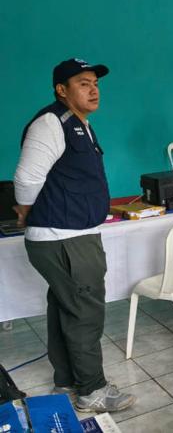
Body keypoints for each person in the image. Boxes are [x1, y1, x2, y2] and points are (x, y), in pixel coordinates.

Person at [14, 58, 135, 412]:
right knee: (84, 312)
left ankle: (67, 379)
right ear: (61, 90)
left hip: (69, 235)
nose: (93, 88)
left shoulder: (80, 124)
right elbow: (26, 179)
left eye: (95, 82)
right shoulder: (53, 122)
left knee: (66, 307)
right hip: (63, 237)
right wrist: (24, 209)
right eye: (83, 83)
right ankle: (92, 391)